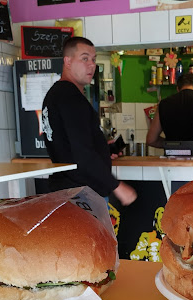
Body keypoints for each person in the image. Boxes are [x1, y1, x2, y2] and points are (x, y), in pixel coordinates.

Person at [41, 37, 137, 206]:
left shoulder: (55, 94)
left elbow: (68, 147)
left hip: (66, 192)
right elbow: (82, 154)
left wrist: (103, 150)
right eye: (84, 58)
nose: (91, 65)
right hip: (81, 196)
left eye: (93, 59)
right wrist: (117, 186)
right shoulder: (70, 97)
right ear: (68, 61)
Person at [146, 73, 193, 149]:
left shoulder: (164, 104)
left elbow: (151, 140)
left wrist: (172, 144)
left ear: (177, 88)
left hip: (172, 157)